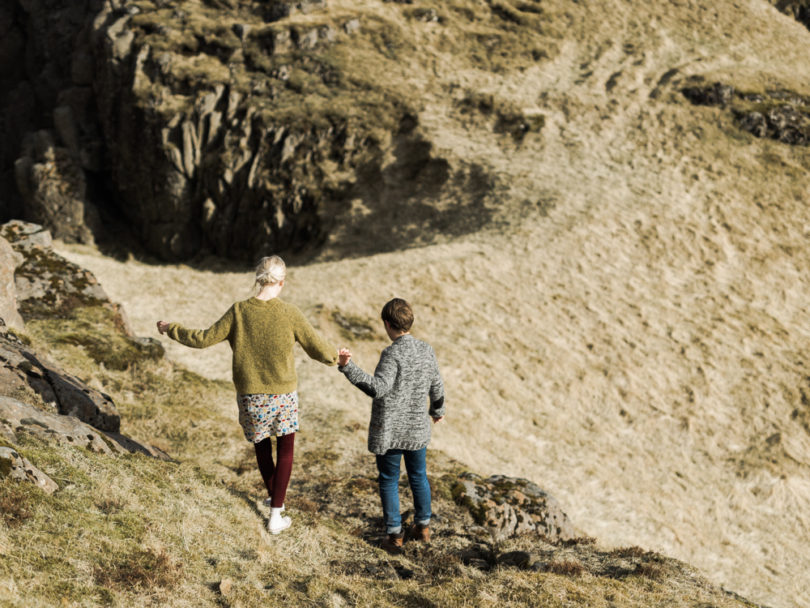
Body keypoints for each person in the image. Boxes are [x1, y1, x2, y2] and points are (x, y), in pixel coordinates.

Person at [157, 255, 338, 535]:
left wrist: (171, 329)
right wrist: (338, 357)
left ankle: (273, 498)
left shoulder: (239, 311)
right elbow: (318, 348)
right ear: (282, 281)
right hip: (283, 395)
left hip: (251, 396)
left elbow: (203, 339)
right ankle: (276, 514)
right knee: (286, 448)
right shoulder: (289, 313)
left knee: (262, 447)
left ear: (258, 278)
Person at [337, 297, 445, 555]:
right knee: (419, 477)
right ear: (410, 321)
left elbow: (378, 388)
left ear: (387, 324)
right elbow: (437, 385)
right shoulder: (426, 350)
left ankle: (395, 535)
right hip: (417, 430)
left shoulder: (392, 354)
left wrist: (347, 367)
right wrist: (437, 411)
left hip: (391, 433)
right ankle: (423, 527)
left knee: (389, 480)